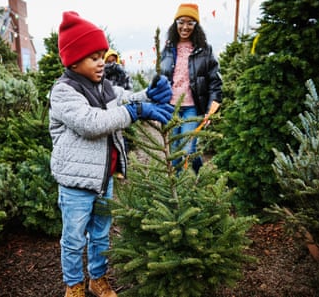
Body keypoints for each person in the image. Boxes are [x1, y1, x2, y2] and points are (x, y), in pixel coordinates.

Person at [49, 11, 174, 297]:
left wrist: (149, 95)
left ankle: (97, 279)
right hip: (76, 184)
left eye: (103, 55)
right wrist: (135, 112)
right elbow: (91, 124)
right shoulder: (64, 92)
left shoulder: (103, 86)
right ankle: (74, 285)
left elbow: (125, 99)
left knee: (101, 234)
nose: (102, 62)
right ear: (74, 60)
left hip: (105, 178)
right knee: (73, 238)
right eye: (94, 57)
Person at [160, 3, 222, 174]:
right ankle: (178, 190)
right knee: (174, 152)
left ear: (196, 26)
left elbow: (215, 82)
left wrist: (212, 108)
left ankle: (196, 174)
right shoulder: (167, 49)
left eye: (190, 23)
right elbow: (160, 78)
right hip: (171, 108)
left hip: (192, 108)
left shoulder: (204, 50)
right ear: (176, 23)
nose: (185, 27)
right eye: (181, 22)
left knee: (187, 150)